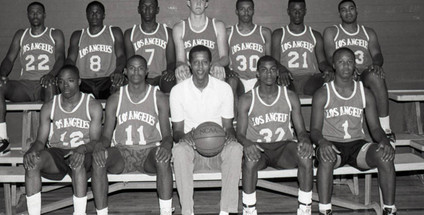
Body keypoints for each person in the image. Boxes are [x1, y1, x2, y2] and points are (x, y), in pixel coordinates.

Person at [310, 48, 396, 215]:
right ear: (334, 65)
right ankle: (325, 210)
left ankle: (390, 209)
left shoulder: (365, 93)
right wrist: (322, 142)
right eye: (341, 62)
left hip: (358, 147)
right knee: (326, 158)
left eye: (349, 62)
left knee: (385, 156)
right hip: (332, 145)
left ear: (355, 65)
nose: (346, 66)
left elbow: (376, 128)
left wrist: (385, 142)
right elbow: (314, 130)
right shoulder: (323, 93)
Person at [92, 55, 173, 215]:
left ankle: (166, 211)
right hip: (122, 152)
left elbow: (167, 135)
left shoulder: (159, 97)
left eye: (141, 68)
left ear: (147, 71)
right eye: (132, 68)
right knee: (98, 159)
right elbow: (107, 135)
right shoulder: (115, 98)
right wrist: (100, 146)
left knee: (162, 159)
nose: (136, 72)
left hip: (149, 151)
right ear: (125, 71)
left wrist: (166, 145)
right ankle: (101, 213)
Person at [0, 1, 65, 160]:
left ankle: (49, 140)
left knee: (50, 85)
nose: (35, 15)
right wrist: (2, 75)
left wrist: (52, 74)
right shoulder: (21, 34)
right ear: (28, 15)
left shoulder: (55, 34)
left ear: (45, 14)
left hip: (44, 84)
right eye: (32, 12)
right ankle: (2, 140)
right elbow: (9, 59)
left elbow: (61, 57)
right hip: (24, 86)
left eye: (39, 12)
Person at [170, 45, 243, 215]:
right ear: (189, 64)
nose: (200, 67)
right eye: (196, 62)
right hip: (193, 151)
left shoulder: (224, 89)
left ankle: (226, 211)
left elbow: (228, 127)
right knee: (179, 150)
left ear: (211, 64)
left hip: (218, 149)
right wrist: (186, 137)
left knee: (235, 148)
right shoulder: (177, 91)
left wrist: (229, 137)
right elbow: (177, 132)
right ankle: (187, 211)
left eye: (204, 62)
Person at [237, 56, 313, 215]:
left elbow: (301, 130)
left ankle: (305, 207)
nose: (268, 74)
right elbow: (240, 134)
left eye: (272, 70)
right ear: (257, 74)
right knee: (250, 160)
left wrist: (305, 139)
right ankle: (249, 209)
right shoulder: (247, 99)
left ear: (278, 73)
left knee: (306, 155)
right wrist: (247, 143)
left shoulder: (290, 96)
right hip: (259, 148)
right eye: (264, 70)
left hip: (283, 147)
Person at [23, 65, 103, 215]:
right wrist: (31, 151)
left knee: (77, 163)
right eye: (61, 82)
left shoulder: (92, 105)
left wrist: (81, 149)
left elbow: (95, 142)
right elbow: (40, 141)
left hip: (83, 152)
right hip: (57, 152)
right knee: (32, 163)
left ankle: (79, 213)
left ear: (79, 81)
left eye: (70, 80)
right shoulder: (49, 106)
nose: (65, 85)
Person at [323, 0, 394, 143]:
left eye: (351, 9)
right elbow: (331, 57)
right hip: (343, 75)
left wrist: (377, 65)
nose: (348, 12)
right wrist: (349, 70)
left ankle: (386, 129)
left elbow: (377, 55)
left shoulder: (368, 32)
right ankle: (334, 133)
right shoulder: (332, 32)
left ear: (357, 10)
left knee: (376, 75)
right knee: (330, 79)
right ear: (339, 14)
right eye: (343, 10)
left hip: (364, 75)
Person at [271, 0, 333, 96]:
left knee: (329, 78)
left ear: (305, 11)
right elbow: (274, 61)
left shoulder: (315, 35)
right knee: (283, 86)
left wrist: (328, 68)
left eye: (300, 10)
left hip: (310, 78)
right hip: (287, 76)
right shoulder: (279, 34)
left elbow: (322, 62)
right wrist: (281, 69)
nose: (297, 13)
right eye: (294, 10)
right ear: (288, 11)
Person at [66, 1, 126, 99]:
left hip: (108, 79)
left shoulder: (114, 32)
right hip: (84, 80)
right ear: (87, 15)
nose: (94, 15)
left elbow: (121, 56)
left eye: (97, 12)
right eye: (91, 12)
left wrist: (118, 70)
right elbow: (70, 59)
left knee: (119, 82)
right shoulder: (77, 35)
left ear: (103, 15)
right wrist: (70, 73)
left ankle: (114, 113)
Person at [172, 0, 229, 82]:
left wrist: (218, 64)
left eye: (202, 0)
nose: (198, 3)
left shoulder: (218, 26)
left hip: (212, 69)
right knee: (181, 74)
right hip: (191, 70)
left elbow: (225, 57)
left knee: (219, 72)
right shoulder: (179, 28)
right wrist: (181, 66)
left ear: (206, 4)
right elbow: (180, 60)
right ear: (188, 3)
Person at [124, 0, 176, 93]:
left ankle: (168, 107)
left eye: (151, 7)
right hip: (139, 76)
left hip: (161, 77)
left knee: (169, 80)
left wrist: (170, 71)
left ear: (157, 10)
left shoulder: (167, 32)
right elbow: (130, 62)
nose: (147, 10)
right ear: (139, 9)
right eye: (144, 7)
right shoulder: (130, 33)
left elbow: (171, 61)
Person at [226, 0, 272, 99]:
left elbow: (269, 60)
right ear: (236, 11)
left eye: (249, 9)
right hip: (239, 81)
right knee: (231, 82)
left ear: (253, 11)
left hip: (258, 79)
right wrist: (228, 71)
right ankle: (233, 115)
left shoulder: (264, 32)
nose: (246, 12)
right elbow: (224, 59)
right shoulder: (229, 33)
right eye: (242, 9)